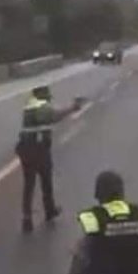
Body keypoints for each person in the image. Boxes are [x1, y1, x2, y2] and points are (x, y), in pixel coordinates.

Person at [16, 85, 82, 233]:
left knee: (29, 184)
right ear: (42, 95)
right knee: (46, 180)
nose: (48, 99)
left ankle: (27, 218)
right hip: (37, 150)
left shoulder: (30, 105)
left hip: (26, 149)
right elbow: (53, 115)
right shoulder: (40, 106)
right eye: (47, 96)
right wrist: (72, 107)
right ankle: (49, 210)